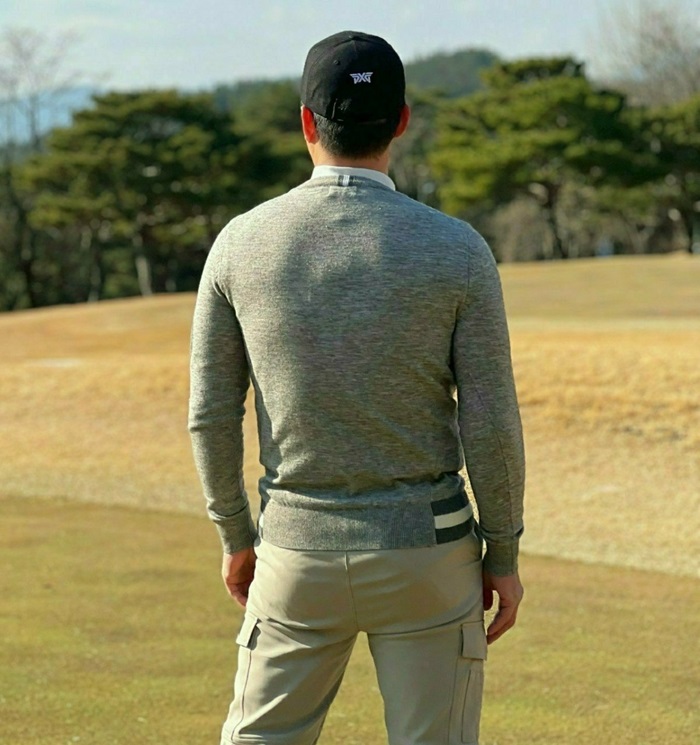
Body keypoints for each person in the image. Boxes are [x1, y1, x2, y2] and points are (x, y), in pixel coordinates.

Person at [188, 30, 525, 745]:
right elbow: (491, 421)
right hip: (429, 554)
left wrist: (234, 534)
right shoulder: (458, 249)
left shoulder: (239, 243)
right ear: (401, 121)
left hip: (294, 551)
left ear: (306, 123)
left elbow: (212, 415)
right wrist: (503, 554)